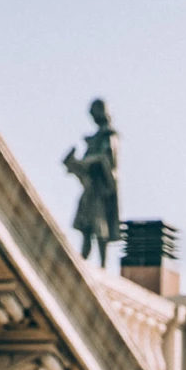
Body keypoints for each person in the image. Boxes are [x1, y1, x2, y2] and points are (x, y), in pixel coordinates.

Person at [63, 100, 119, 268]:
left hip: (101, 189)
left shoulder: (108, 136)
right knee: (85, 225)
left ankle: (102, 264)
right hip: (91, 188)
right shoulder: (94, 139)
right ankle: (83, 259)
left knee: (99, 225)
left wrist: (87, 162)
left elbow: (108, 160)